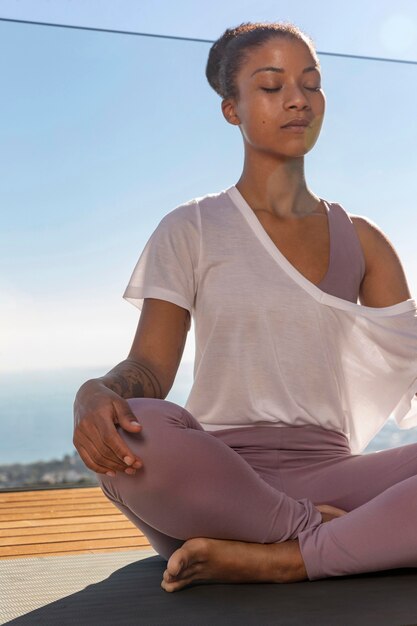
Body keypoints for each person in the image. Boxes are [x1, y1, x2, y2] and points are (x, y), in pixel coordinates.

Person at [73, 21, 417, 593]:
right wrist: (97, 393)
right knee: (142, 434)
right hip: (217, 480)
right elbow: (148, 373)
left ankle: (282, 557)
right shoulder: (192, 227)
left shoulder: (364, 242)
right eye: (271, 85)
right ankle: (327, 538)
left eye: (311, 83)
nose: (297, 99)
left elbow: (413, 367)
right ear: (231, 109)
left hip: (333, 475)